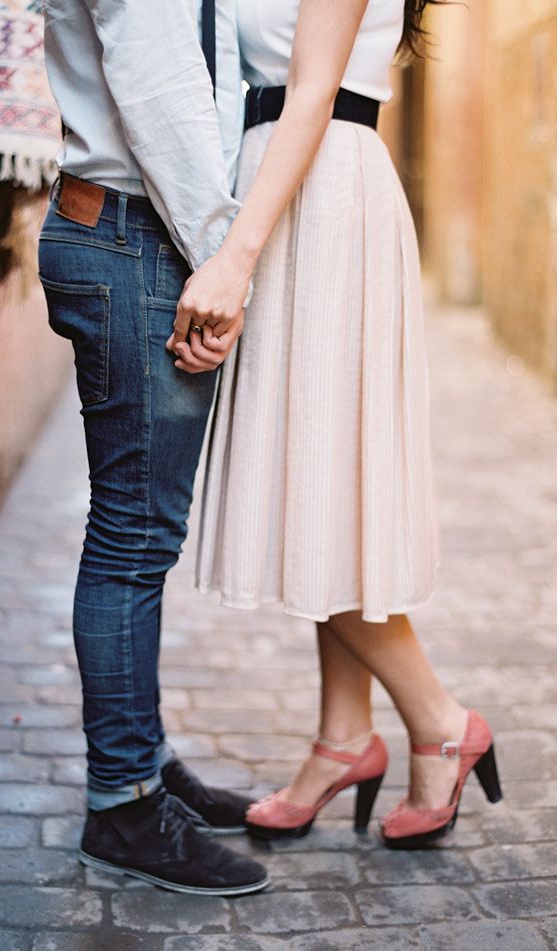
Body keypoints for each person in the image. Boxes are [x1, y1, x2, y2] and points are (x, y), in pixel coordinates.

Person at [174, 0, 503, 849]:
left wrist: (236, 254)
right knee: (325, 480)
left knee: (309, 488)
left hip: (319, 195)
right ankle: (343, 738)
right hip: (288, 185)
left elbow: (312, 91)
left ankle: (440, 721)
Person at [38, 0, 269, 894]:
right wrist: (224, 259)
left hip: (129, 225)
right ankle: (125, 806)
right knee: (133, 536)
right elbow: (159, 85)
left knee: (137, 536)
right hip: (138, 233)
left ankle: (143, 758)